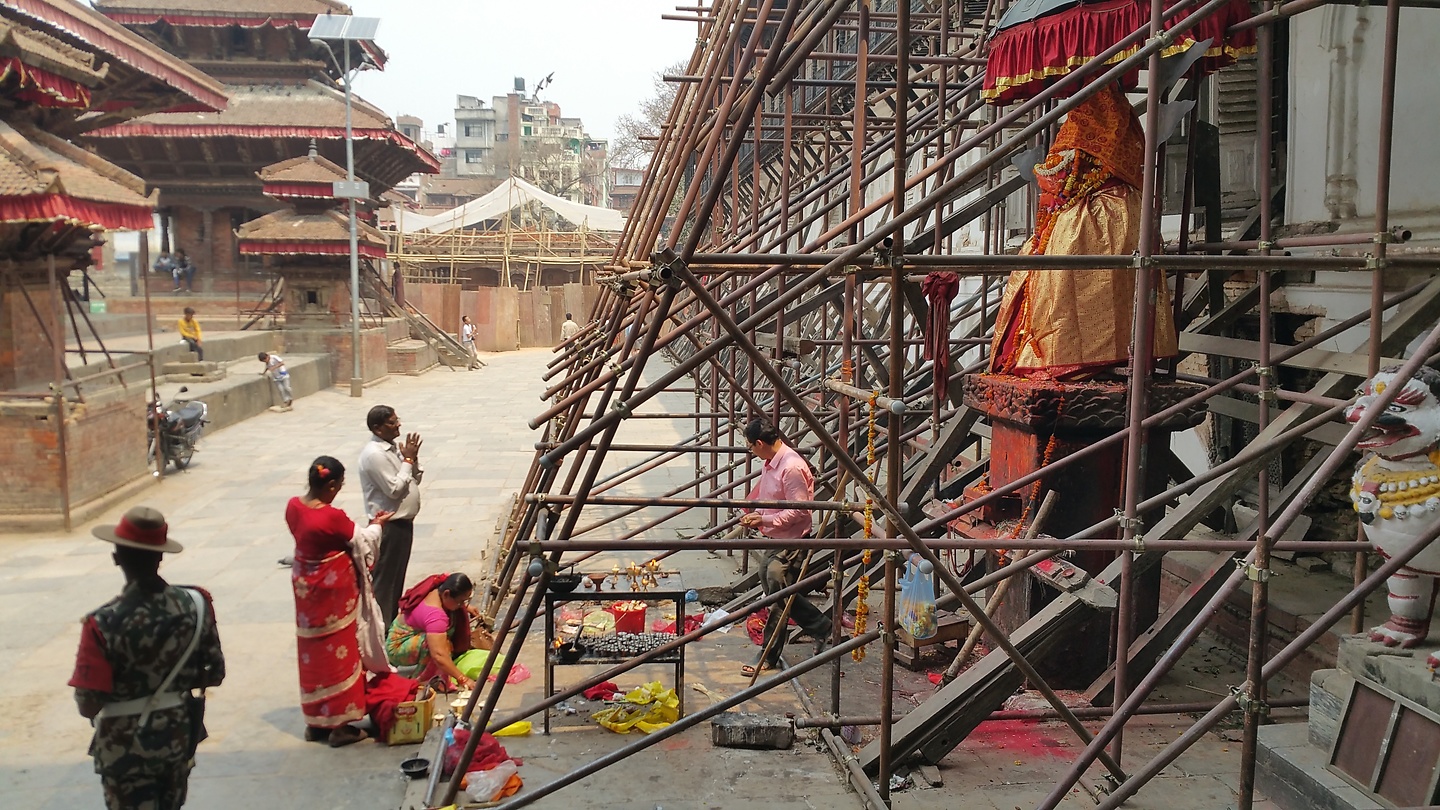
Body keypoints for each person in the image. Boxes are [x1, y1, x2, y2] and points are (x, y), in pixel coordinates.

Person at [989, 82, 1177, 379]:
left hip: (1097, 221)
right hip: (1113, 216)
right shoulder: (1124, 126)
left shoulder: (1093, 124)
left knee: (1073, 279)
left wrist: (1045, 171)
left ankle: (1084, 359)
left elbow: (1065, 174)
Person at [70, 506, 226, 809]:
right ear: (160, 556)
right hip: (177, 738)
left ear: (116, 558)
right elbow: (214, 672)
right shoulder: (196, 604)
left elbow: (88, 702)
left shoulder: (101, 623)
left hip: (123, 749)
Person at [285, 456, 392, 747]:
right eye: (339, 486)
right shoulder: (331, 516)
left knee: (312, 654)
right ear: (330, 485)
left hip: (306, 591)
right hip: (333, 595)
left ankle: (316, 722)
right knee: (342, 653)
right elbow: (362, 541)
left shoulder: (294, 506)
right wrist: (377, 525)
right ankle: (340, 726)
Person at [739, 417, 832, 676]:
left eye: (750, 447)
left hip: (793, 537)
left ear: (759, 443)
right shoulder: (771, 461)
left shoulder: (791, 467)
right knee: (770, 582)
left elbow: (799, 510)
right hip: (777, 534)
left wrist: (764, 518)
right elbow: (765, 489)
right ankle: (820, 625)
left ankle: (768, 655)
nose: (751, 452)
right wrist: (751, 505)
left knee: (776, 586)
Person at [358, 405, 424, 626]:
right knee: (385, 584)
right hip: (390, 526)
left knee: (396, 581)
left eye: (397, 420)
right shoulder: (374, 455)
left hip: (403, 525)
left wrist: (412, 460)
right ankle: (379, 631)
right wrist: (407, 462)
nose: (398, 425)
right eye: (392, 423)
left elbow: (414, 478)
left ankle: (387, 627)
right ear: (377, 429)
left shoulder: (392, 448)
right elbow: (394, 489)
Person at [385, 573, 477, 690]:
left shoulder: (437, 589)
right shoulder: (436, 616)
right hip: (397, 647)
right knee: (439, 645)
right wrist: (463, 678)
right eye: (460, 602)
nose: (461, 606)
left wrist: (466, 608)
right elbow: (439, 655)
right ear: (446, 594)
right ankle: (424, 679)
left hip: (409, 634)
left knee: (441, 641)